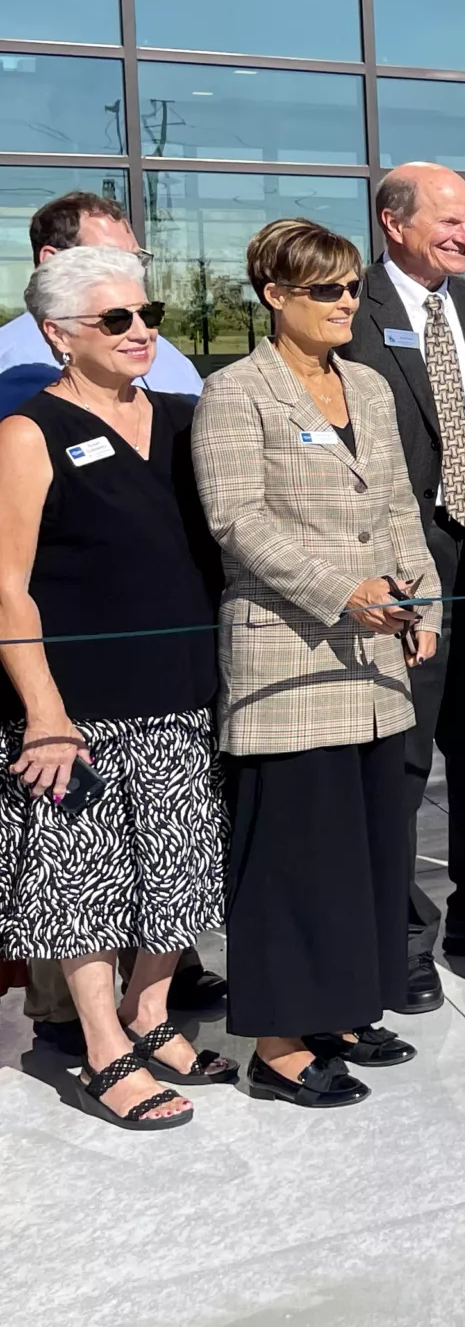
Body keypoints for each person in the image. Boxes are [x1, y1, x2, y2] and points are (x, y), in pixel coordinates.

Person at [196, 218, 442, 1106]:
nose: (346, 304)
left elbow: (397, 510)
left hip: (376, 655)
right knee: (296, 854)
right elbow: (239, 524)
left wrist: (420, 600)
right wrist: (345, 590)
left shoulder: (370, 388)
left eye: (349, 289)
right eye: (326, 291)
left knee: (369, 848)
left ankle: (342, 1007)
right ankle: (278, 1042)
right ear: (275, 296)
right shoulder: (237, 393)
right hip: (289, 656)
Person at [0, 247, 228, 1128]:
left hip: (185, 685)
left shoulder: (183, 416)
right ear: (59, 333)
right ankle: (102, 1049)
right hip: (80, 702)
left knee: (179, 869)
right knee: (84, 880)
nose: (142, 332)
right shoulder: (29, 432)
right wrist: (44, 713)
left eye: (149, 313)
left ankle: (151, 1012)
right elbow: (8, 583)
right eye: (116, 319)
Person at [343, 163, 465, 1015]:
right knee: (405, 748)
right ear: (393, 222)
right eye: (449, 221)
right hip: (402, 558)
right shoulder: (353, 312)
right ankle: (397, 931)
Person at [0, 192, 202, 417]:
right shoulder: (14, 365)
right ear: (51, 260)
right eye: (111, 257)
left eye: (137, 259)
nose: (131, 271)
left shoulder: (163, 353)